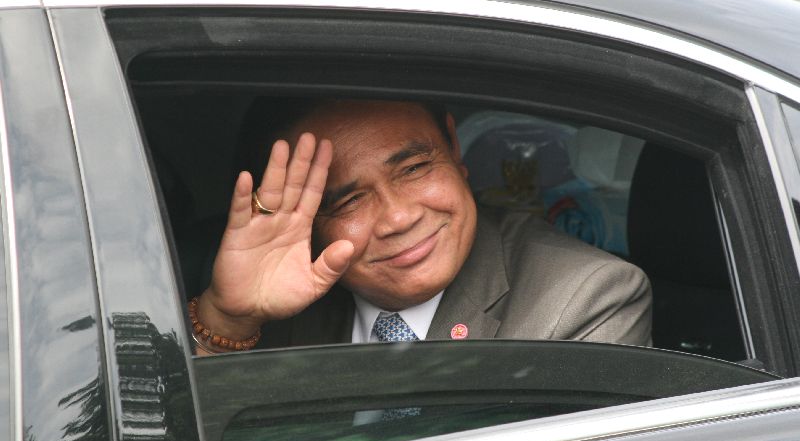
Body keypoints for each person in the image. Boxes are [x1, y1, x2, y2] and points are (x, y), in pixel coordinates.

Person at [188, 99, 651, 354]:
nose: (398, 217)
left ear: (453, 146)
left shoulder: (583, 298)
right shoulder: (275, 296)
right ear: (305, 221)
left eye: (413, 169)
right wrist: (228, 321)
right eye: (348, 200)